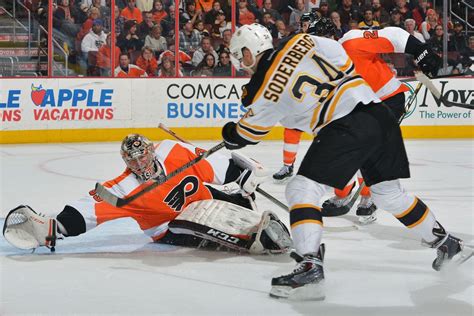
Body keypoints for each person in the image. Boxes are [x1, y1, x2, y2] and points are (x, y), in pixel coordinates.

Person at [221, 23, 471, 300]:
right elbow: (341, 58)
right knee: (388, 194)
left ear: (248, 51)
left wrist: (231, 134)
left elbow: (248, 133)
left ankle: (309, 265)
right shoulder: (303, 41)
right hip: (379, 113)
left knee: (301, 189)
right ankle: (448, 245)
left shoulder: (265, 88)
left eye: (240, 56)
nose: (242, 64)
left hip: (345, 126)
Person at [273, 15, 442, 222]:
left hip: (387, 99)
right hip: (359, 105)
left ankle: (367, 197)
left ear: (332, 36)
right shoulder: (319, 62)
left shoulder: (352, 41)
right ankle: (345, 192)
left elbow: (394, 34)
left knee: (364, 148)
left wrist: (421, 51)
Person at [3, 134, 291, 256]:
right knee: (194, 224)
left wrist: (242, 177)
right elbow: (86, 211)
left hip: (205, 201)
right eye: (133, 161)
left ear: (152, 150)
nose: (140, 164)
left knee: (233, 199)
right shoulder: (123, 187)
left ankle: (250, 216)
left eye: (143, 157)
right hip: (171, 228)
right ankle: (253, 240)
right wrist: (55, 227)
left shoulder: (173, 150)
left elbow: (217, 166)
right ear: (126, 161)